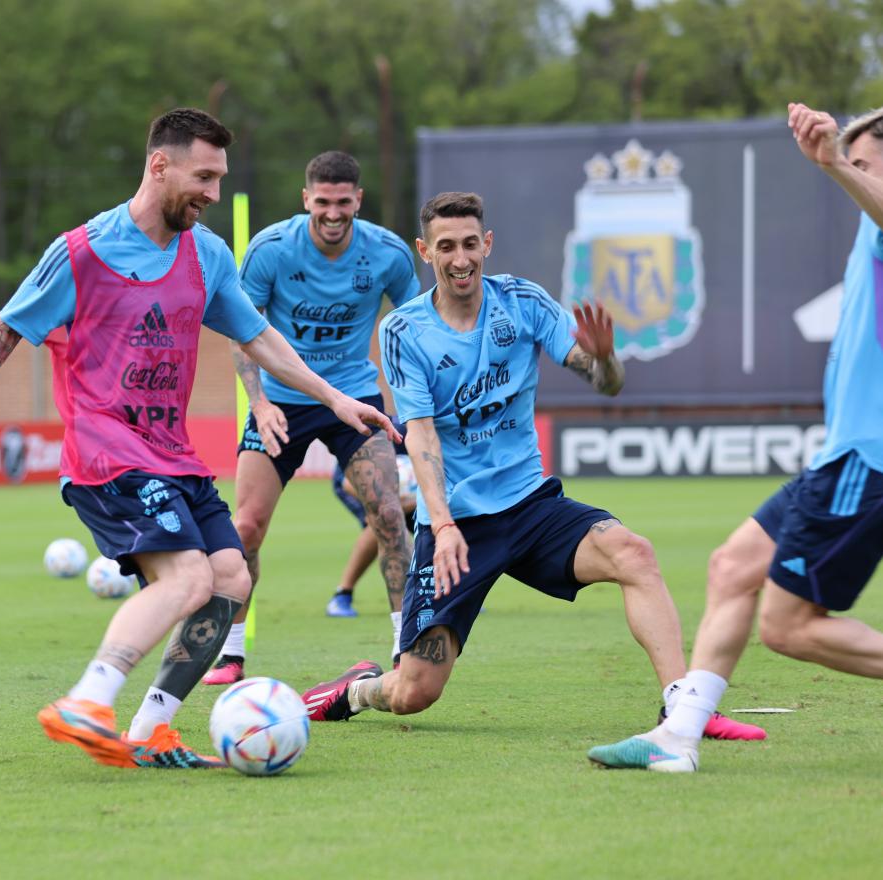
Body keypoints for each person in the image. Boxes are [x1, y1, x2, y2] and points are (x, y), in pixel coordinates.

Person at [0, 109, 398, 770]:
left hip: (172, 454)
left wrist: (334, 397)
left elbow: (259, 338)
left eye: (221, 179)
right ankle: (87, 698)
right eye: (204, 176)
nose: (214, 194)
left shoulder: (208, 254)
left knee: (229, 579)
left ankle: (152, 727)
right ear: (159, 165)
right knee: (190, 574)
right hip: (106, 453)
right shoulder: (85, 250)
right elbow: (7, 328)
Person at [300, 190, 697, 737]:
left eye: (469, 244)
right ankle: (356, 690)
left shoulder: (523, 303)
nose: (460, 258)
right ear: (425, 251)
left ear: (486, 244)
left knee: (634, 554)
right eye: (446, 246)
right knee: (413, 692)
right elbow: (421, 438)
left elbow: (605, 383)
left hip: (531, 509)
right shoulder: (404, 331)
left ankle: (683, 706)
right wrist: (441, 526)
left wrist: (606, 358)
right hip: (459, 525)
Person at [588, 101, 883, 773]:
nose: (851, 172)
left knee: (788, 626)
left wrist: (836, 159)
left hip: (866, 461)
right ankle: (677, 737)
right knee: (732, 567)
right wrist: (839, 155)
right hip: (840, 457)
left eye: (865, 161)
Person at [201, 151, 420, 686]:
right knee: (246, 527)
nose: (332, 212)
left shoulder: (388, 253)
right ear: (307, 200)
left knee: (390, 515)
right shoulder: (271, 250)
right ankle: (231, 656)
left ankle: (404, 650)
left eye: (343, 202)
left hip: (355, 399)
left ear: (357, 201)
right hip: (280, 403)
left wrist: (414, 402)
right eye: (322, 202)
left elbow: (415, 324)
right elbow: (241, 330)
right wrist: (258, 401)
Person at [324, 420, 417, 618]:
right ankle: (343, 594)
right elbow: (347, 483)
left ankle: (450, 593)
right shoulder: (397, 433)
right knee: (382, 522)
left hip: (412, 496)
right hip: (357, 485)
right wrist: (392, 503)